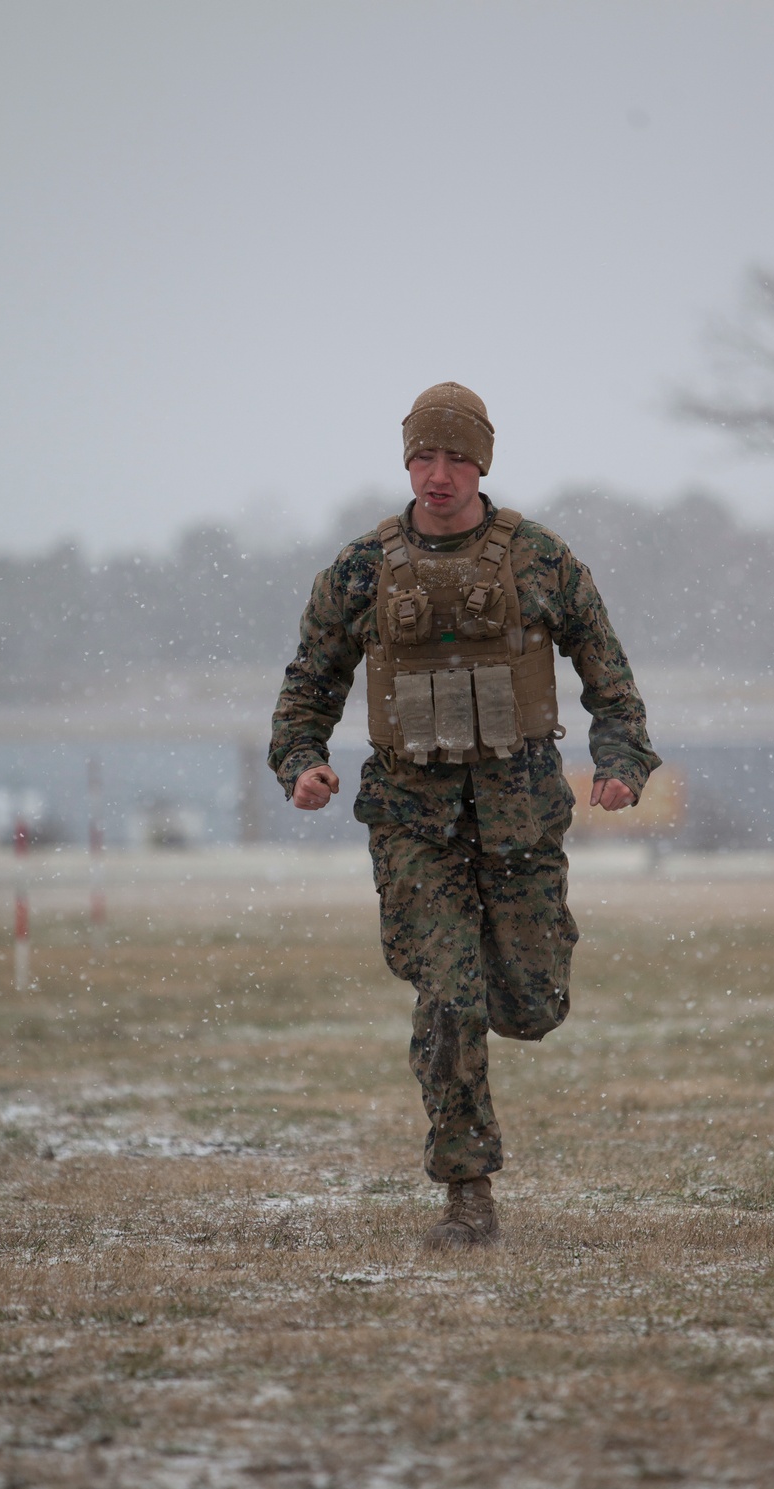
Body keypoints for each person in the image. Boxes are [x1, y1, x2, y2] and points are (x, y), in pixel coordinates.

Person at [269, 382, 660, 1249]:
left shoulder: (541, 561)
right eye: (423, 455)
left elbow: (611, 680)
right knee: (449, 997)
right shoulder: (361, 571)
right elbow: (307, 686)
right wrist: (301, 763)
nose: (437, 474)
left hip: (520, 819)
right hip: (413, 821)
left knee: (530, 1004)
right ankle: (467, 1195)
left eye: (455, 457)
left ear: (483, 462)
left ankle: (517, 979)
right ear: (405, 459)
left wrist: (621, 763)